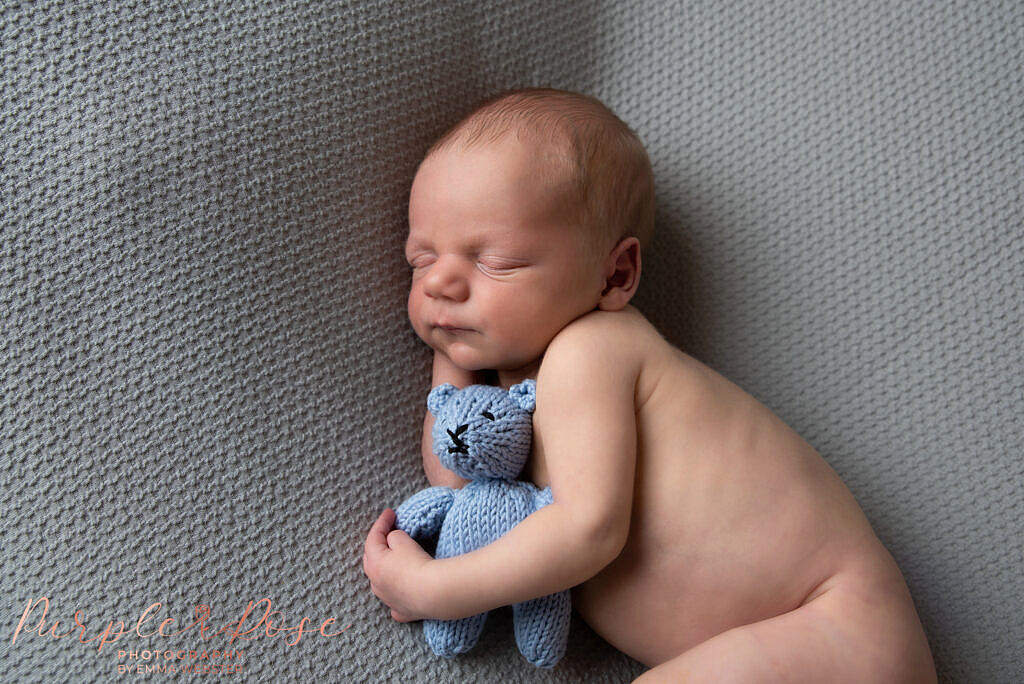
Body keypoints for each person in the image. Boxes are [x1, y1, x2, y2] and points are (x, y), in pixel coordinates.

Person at [362, 86, 936, 682]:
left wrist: (436, 589)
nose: (441, 285)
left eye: (494, 262)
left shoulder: (595, 350)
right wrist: (449, 355)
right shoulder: (511, 404)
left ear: (616, 273)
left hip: (837, 624)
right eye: (421, 260)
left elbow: (589, 530)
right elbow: (455, 474)